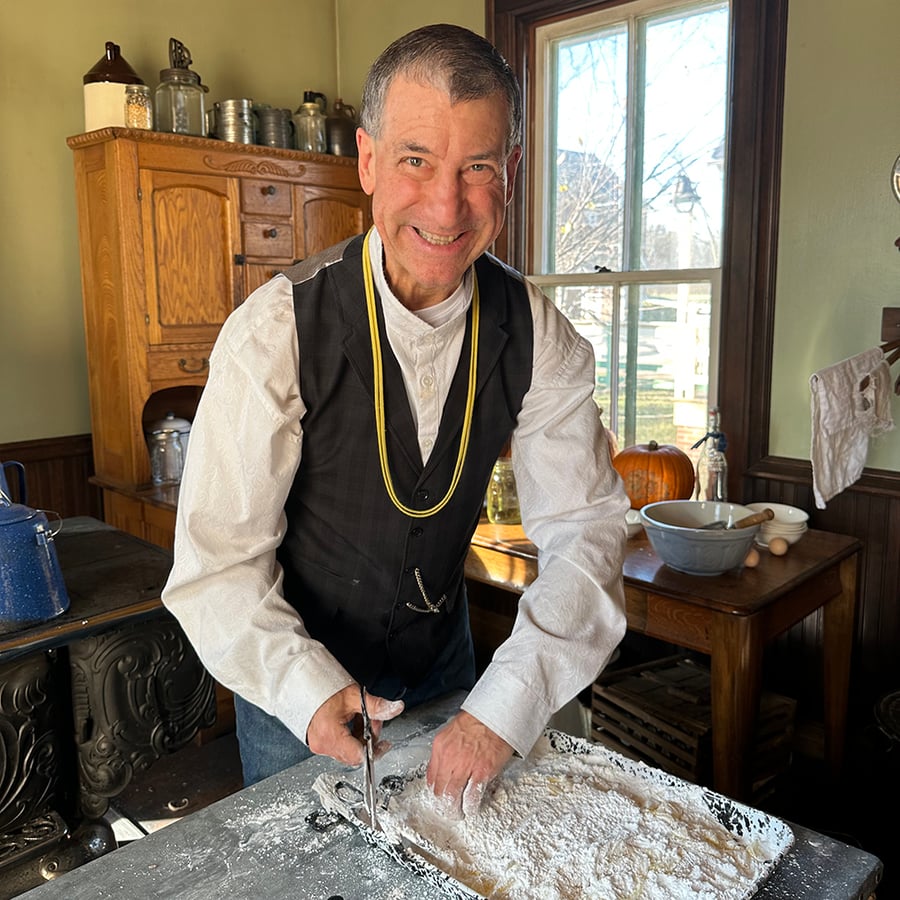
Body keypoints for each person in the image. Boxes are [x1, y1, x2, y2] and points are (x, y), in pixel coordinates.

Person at [161, 22, 628, 815]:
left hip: (452, 679)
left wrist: (505, 706)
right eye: (416, 160)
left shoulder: (539, 334)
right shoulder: (275, 332)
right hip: (295, 690)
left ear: (511, 173)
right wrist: (305, 687)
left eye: (477, 167)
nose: (447, 205)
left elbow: (586, 533)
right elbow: (217, 565)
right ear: (369, 161)